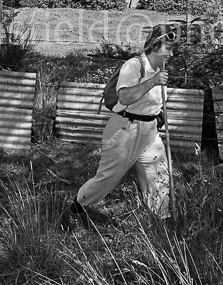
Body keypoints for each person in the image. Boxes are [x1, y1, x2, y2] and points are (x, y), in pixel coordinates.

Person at [61, 23, 179, 229]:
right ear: (155, 45)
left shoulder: (161, 68)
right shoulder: (134, 66)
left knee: (159, 174)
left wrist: (157, 116)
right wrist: (152, 82)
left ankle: (162, 223)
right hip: (124, 129)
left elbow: (154, 102)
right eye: (168, 48)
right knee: (108, 178)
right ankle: (75, 210)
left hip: (149, 131)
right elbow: (124, 96)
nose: (171, 53)